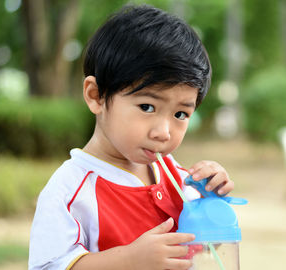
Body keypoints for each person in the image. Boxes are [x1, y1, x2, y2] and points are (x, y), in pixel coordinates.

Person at [29, 4, 234, 270]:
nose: (163, 132)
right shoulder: (71, 190)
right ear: (96, 95)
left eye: (181, 114)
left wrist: (211, 204)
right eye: (147, 107)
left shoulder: (179, 179)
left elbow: (201, 246)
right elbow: (50, 266)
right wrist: (130, 260)